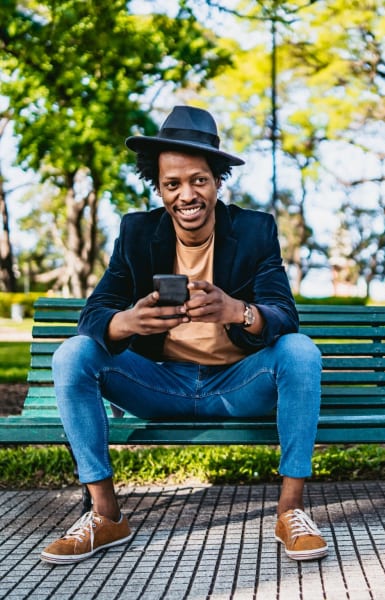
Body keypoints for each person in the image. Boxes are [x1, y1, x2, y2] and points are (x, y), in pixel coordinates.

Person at [40, 105, 327, 565]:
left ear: (217, 181)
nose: (186, 194)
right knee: (73, 355)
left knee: (299, 351)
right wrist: (126, 322)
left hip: (237, 385)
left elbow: (284, 315)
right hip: (159, 384)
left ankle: (290, 511)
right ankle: (106, 515)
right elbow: (93, 313)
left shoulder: (255, 230)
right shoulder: (137, 232)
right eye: (172, 184)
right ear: (160, 188)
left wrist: (238, 310)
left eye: (198, 180)